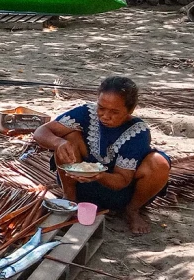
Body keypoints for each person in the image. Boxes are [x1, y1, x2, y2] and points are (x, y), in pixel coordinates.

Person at [33, 76, 170, 234]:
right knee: (69, 136)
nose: (105, 116)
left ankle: (132, 210)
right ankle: (69, 197)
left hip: (120, 194)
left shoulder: (138, 132)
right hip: (79, 184)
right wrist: (59, 143)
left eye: (114, 112)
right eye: (101, 108)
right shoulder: (86, 113)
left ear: (130, 110)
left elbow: (122, 181)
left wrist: (98, 175)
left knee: (158, 162)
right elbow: (41, 132)